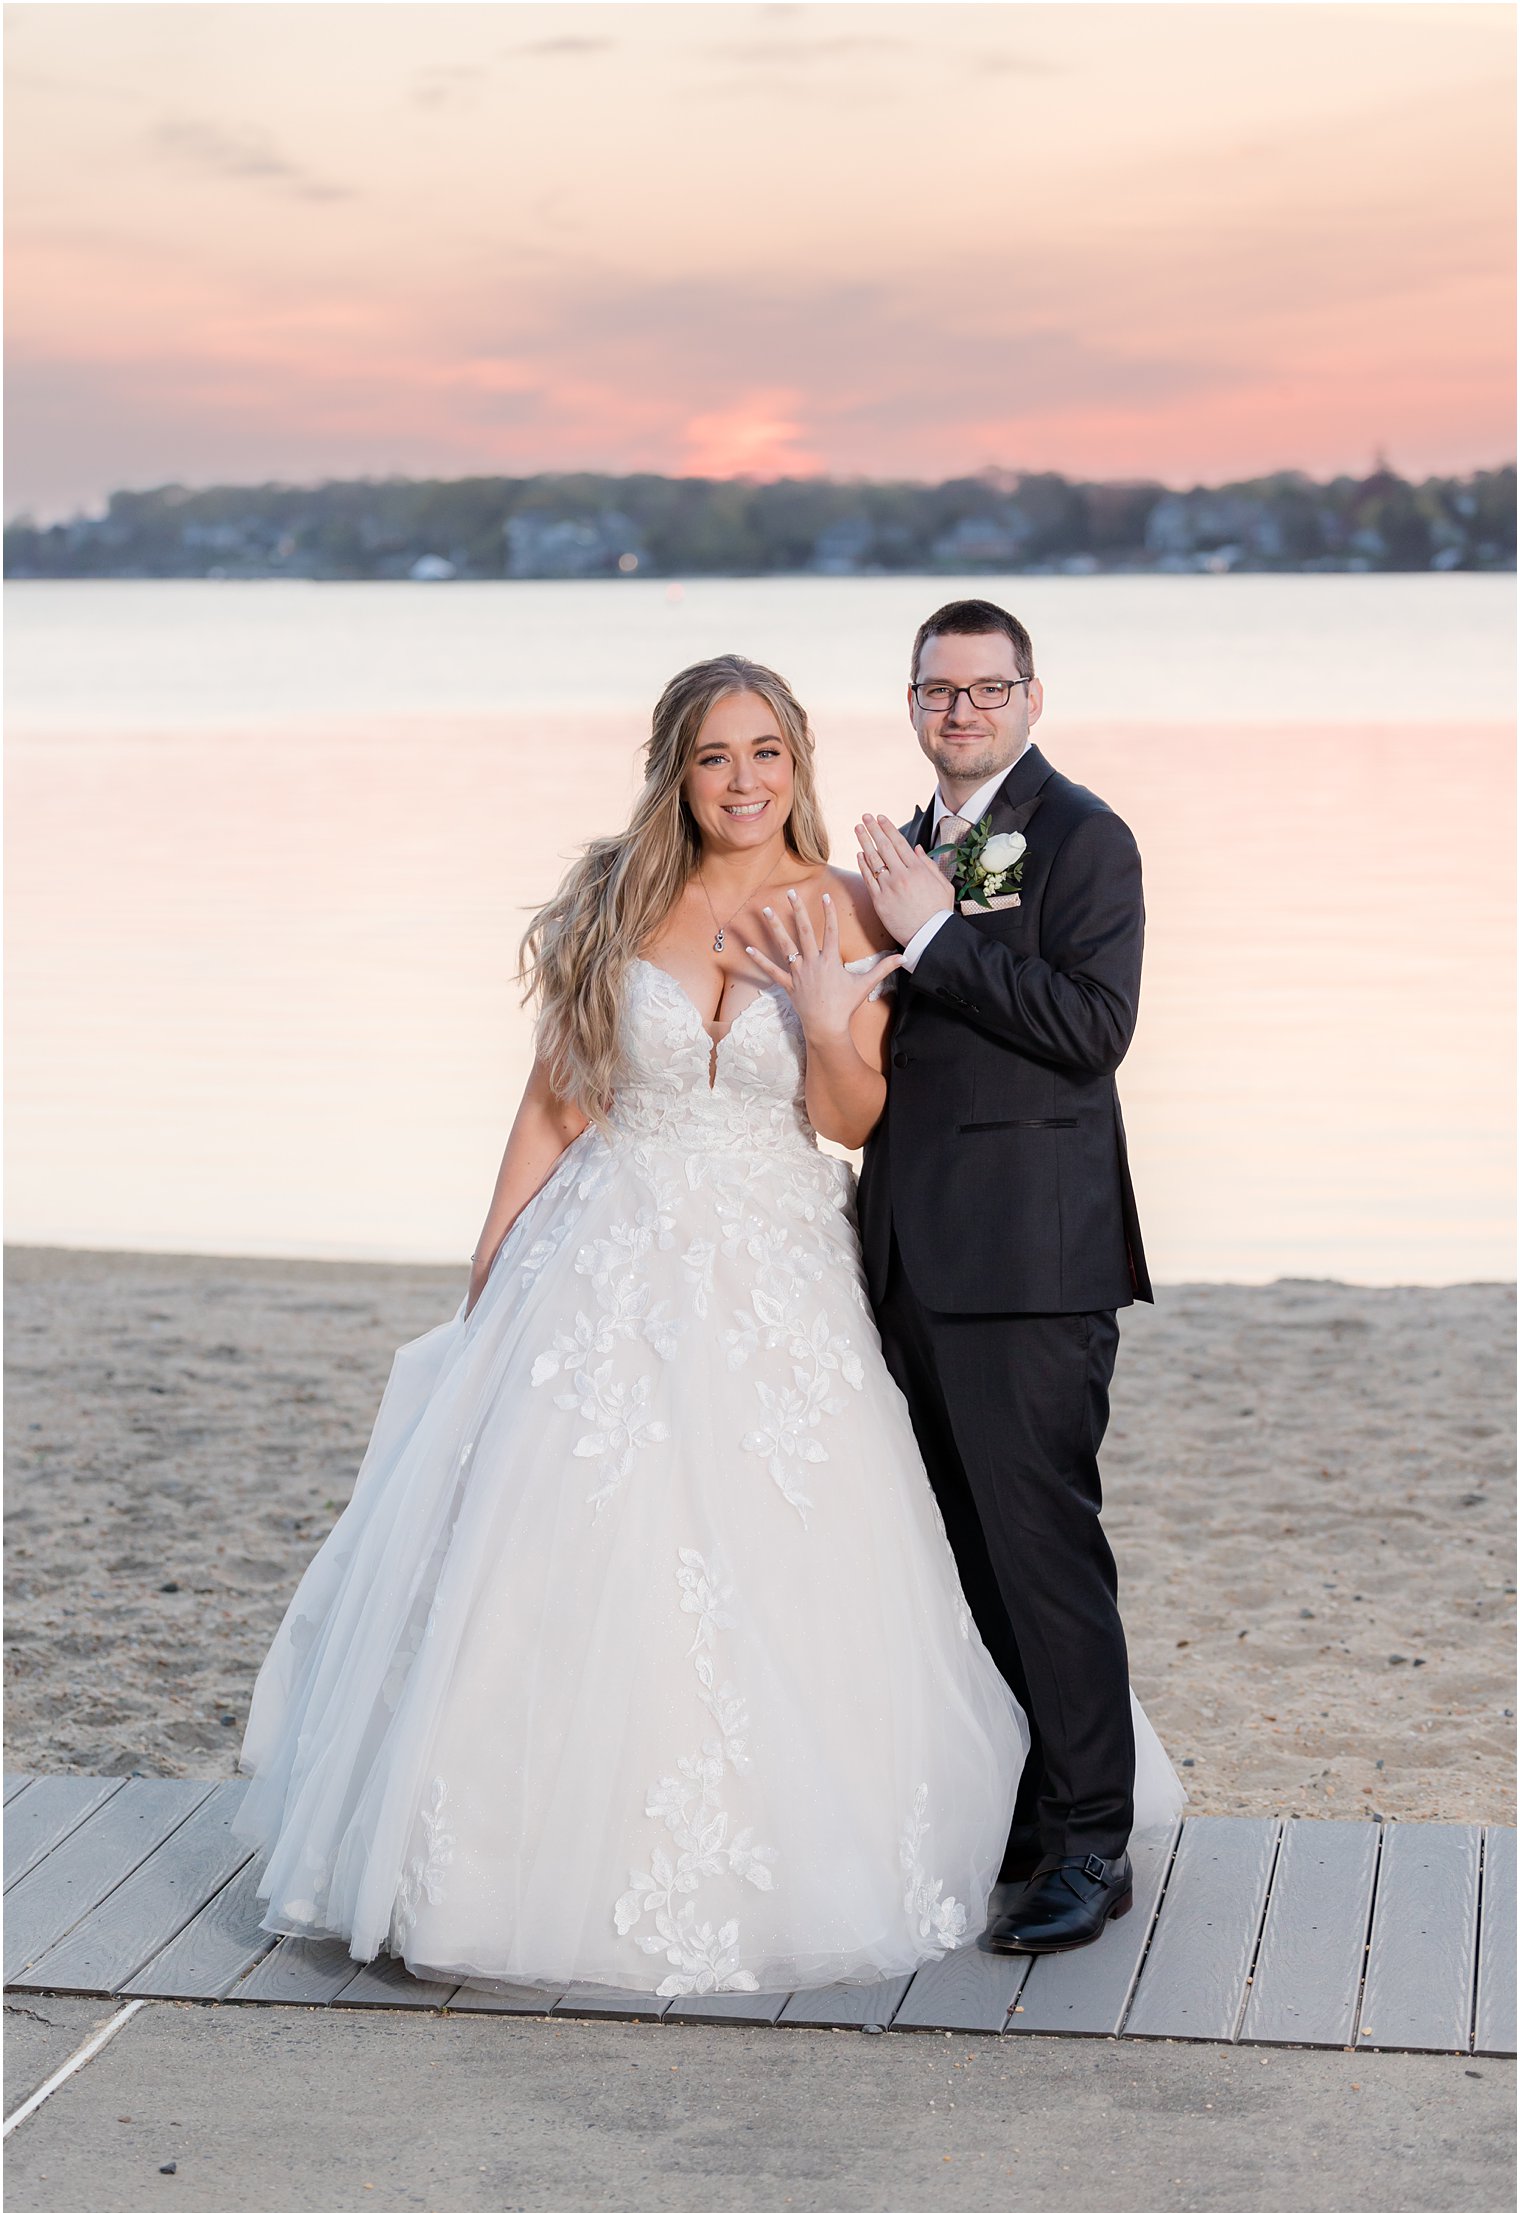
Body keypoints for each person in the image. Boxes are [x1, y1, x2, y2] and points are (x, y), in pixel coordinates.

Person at [234, 654, 1036, 1996]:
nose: (744, 780)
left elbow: (848, 1119)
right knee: (565, 1539)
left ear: (799, 764)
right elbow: (560, 1100)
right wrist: (492, 1252)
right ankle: (496, 1862)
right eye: (716, 755)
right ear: (677, 769)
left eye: (766, 752)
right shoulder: (624, 898)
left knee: (792, 1548)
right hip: (607, 1247)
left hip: (776, 1259)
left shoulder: (843, 903)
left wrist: (834, 1007)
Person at [855, 596, 1178, 1956]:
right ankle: (1033, 1813)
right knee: (967, 1555)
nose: (962, 710)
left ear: (1032, 698)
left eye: (988, 689)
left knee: (1045, 1551)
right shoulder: (908, 844)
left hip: (1034, 1266)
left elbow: (1093, 1030)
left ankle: (1093, 1841)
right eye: (939, 690)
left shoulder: (1086, 839)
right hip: (913, 1258)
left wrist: (936, 940)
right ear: (914, 701)